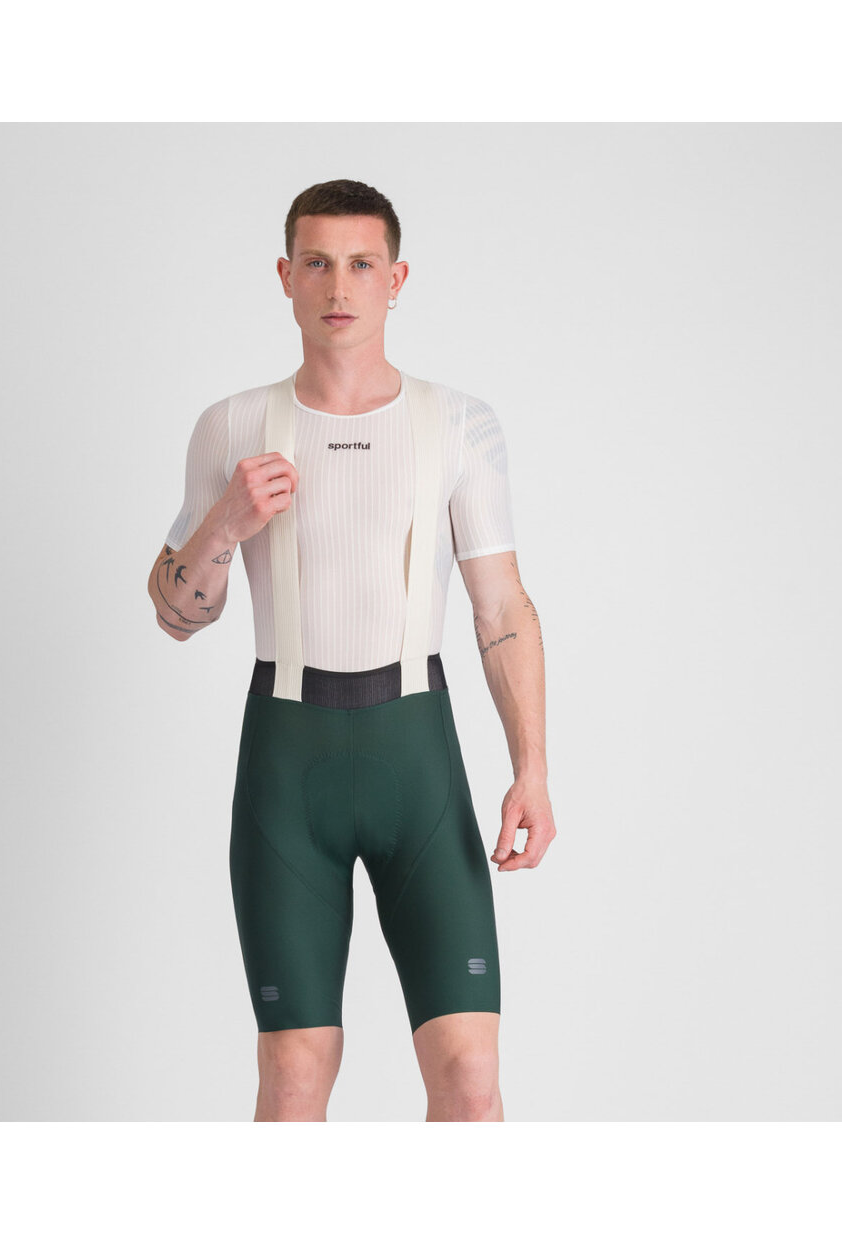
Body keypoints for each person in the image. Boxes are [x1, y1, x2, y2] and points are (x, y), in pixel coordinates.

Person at [147, 179, 557, 1122]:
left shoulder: (459, 424)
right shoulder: (232, 427)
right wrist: (224, 523)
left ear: (396, 279)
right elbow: (175, 612)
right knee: (294, 1078)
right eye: (318, 263)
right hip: (287, 762)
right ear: (285, 276)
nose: (340, 286)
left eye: (362, 264)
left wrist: (531, 769)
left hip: (417, 756)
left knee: (471, 1077)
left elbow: (502, 608)